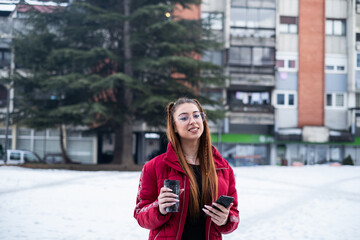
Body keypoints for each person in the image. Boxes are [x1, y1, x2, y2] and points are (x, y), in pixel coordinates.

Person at [134, 97, 239, 240]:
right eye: (184, 118)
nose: (193, 121)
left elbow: (234, 216)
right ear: (174, 127)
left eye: (197, 115)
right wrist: (159, 207)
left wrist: (225, 219)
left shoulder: (223, 168)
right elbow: (140, 215)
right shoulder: (153, 167)